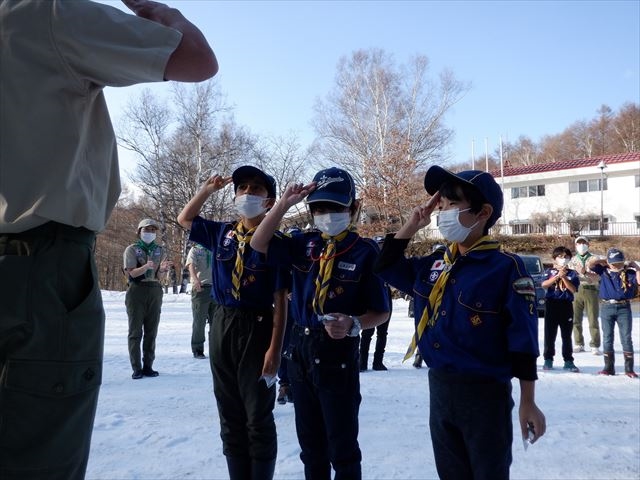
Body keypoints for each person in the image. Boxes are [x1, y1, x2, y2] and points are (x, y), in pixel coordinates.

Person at [0, 1, 217, 478]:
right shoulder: (43, 13)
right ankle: (140, 366)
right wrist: (164, 14)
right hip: (38, 271)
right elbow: (196, 58)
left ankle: (148, 364)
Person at [373, 167, 545, 480]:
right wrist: (411, 225)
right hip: (440, 387)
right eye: (441, 205)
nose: (442, 212)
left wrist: (528, 402)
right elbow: (385, 267)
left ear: (483, 212)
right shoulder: (437, 262)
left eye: (452, 204)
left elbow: (523, 340)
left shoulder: (505, 267)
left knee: (487, 473)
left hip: (484, 394)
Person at [250, 166, 391, 480]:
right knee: (311, 449)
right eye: (319, 208)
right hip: (300, 351)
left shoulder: (365, 251)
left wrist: (353, 323)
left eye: (335, 208)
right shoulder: (302, 242)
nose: (326, 215)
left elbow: (381, 311)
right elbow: (258, 243)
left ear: (353, 208)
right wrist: (284, 205)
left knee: (342, 449)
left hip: (337, 356)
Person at [177, 166, 286, 480]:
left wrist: (275, 351)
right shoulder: (222, 232)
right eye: (243, 188)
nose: (248, 193)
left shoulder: (274, 241)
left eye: (256, 189)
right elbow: (185, 219)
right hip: (222, 322)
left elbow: (281, 298)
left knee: (257, 415)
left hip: (259, 325)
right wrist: (207, 190)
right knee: (229, 413)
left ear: (269, 201)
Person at [123, 219, 171, 378]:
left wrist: (163, 271)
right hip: (137, 290)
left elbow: (159, 275)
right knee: (135, 331)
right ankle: (136, 368)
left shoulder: (159, 250)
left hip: (155, 290)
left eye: (152, 230)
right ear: (139, 231)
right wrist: (145, 267)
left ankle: (148, 365)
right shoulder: (132, 249)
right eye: (146, 230)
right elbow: (131, 273)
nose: (150, 232)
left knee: (152, 331)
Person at [588, 248, 639, 378]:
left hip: (623, 307)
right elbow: (590, 264)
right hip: (607, 306)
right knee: (607, 337)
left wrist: (637, 268)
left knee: (626, 337)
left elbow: (639, 281)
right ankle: (608, 367)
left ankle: (629, 368)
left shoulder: (629, 273)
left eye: (619, 263)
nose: (616, 266)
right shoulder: (604, 271)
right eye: (614, 263)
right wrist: (605, 260)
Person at [540, 246, 580, 372]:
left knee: (566, 334)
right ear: (554, 258)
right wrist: (557, 276)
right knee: (550, 333)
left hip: (566, 304)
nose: (563, 259)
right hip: (552, 303)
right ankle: (548, 359)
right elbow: (544, 284)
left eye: (566, 257)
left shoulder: (572, 273)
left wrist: (563, 277)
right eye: (560, 257)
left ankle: (568, 360)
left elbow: (573, 289)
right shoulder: (548, 272)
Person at [359, 235, 392, 371]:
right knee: (367, 333)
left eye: (383, 244)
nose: (381, 247)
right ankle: (362, 362)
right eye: (379, 244)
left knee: (382, 332)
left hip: (385, 295)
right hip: (369, 297)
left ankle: (378, 362)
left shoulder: (389, 260)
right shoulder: (367, 259)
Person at [412, 243, 446, 369]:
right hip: (439, 304)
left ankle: (419, 356)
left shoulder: (427, 263)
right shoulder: (450, 263)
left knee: (422, 329)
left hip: (424, 302)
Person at [569, 236, 601, 354]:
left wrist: (585, 272)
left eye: (584, 243)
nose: (581, 245)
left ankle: (595, 344)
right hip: (576, 290)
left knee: (593, 318)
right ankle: (578, 343)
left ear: (588, 245)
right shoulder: (572, 260)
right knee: (575, 319)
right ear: (575, 245)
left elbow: (598, 276)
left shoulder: (594, 259)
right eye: (579, 243)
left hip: (591, 289)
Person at [185, 242, 216, 359]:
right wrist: (195, 279)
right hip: (201, 289)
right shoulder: (195, 250)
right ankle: (198, 349)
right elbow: (190, 265)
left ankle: (215, 348)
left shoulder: (215, 247)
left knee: (217, 322)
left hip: (215, 289)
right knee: (199, 322)